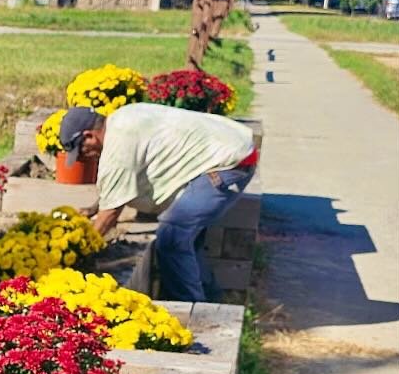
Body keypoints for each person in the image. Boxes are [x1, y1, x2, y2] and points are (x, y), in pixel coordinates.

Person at [58, 103, 259, 302]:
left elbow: (111, 212)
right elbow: (117, 188)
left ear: (89, 136)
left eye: (81, 151)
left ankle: (193, 310)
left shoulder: (119, 144)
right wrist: (94, 209)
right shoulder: (122, 119)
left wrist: (79, 255)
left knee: (172, 235)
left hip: (228, 163)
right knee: (188, 238)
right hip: (231, 148)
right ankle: (212, 300)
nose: (85, 157)